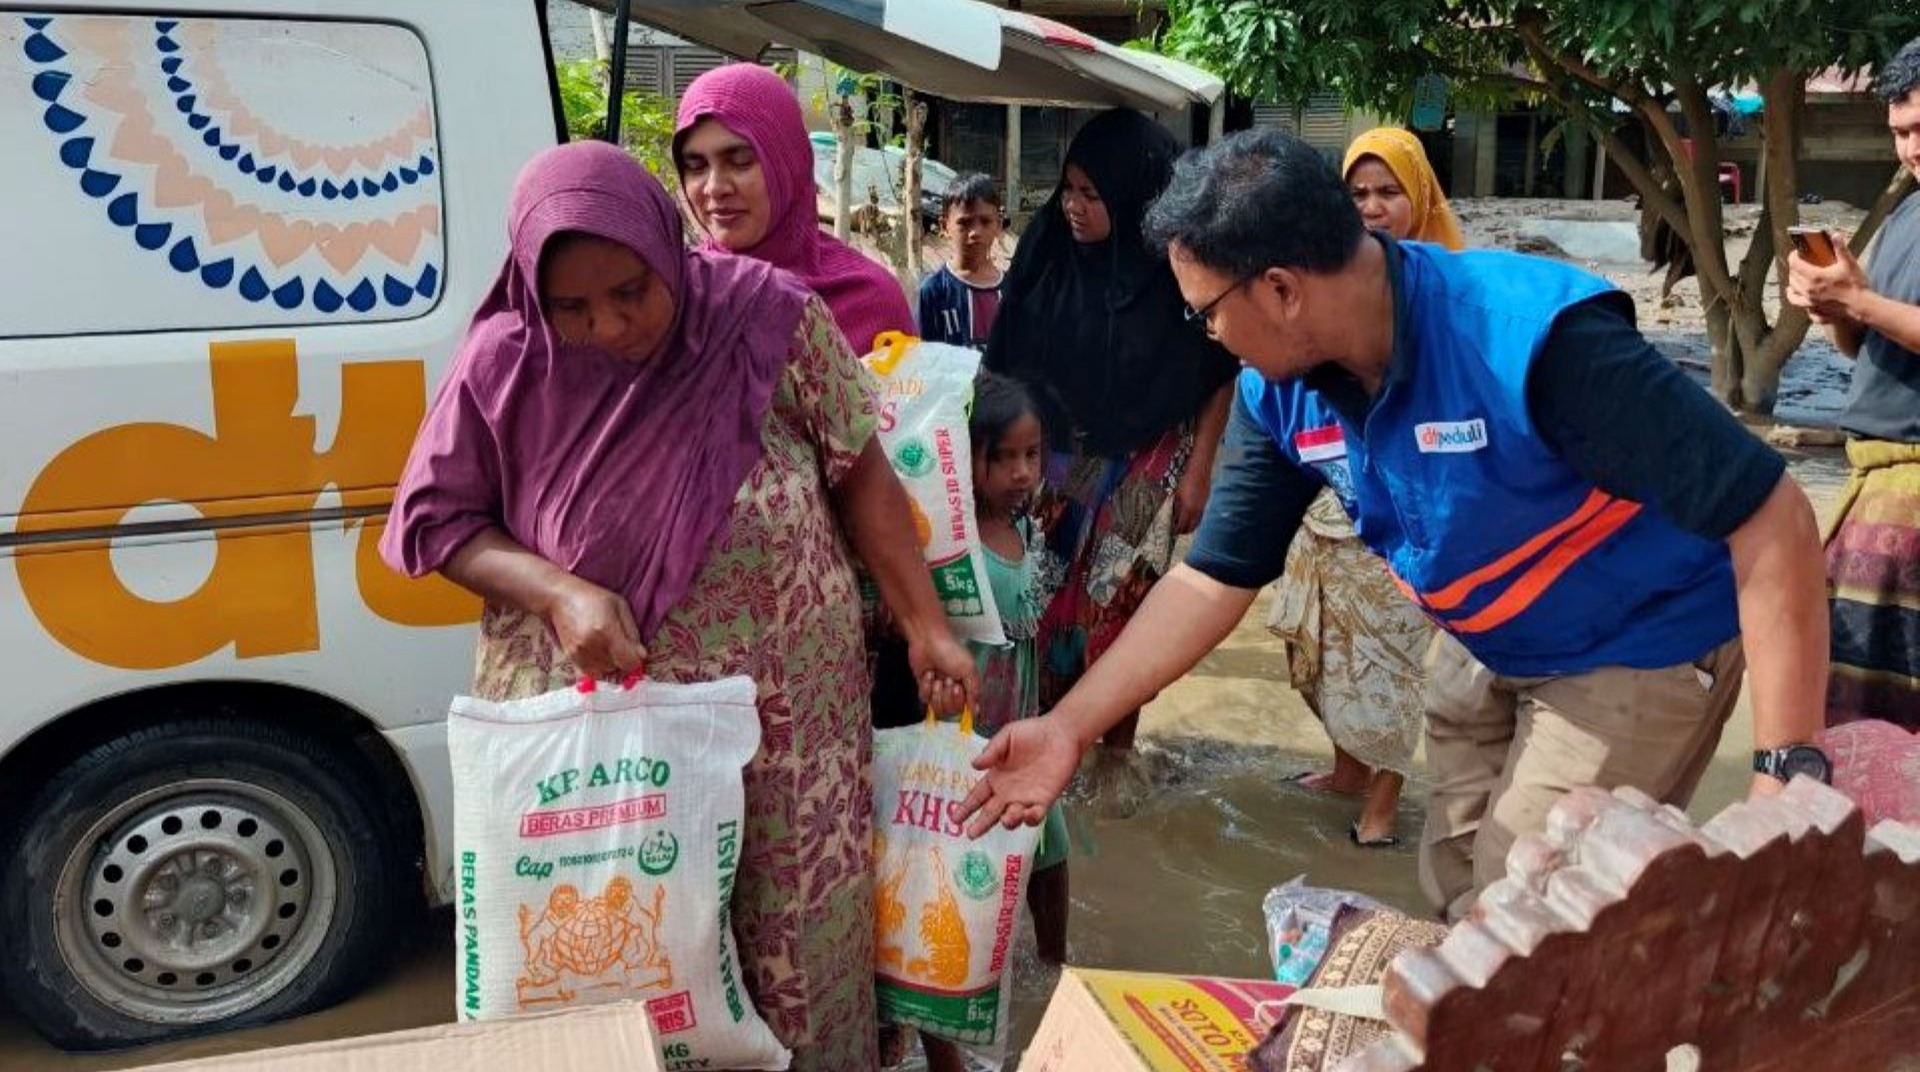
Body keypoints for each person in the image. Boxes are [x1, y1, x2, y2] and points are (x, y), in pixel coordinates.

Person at [961, 129, 1834, 923]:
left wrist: (1781, 773)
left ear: (1281, 290)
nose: (1210, 338)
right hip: (1483, 642)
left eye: (1206, 313)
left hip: (1634, 647)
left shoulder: (1529, 340)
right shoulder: (1282, 389)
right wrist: (1068, 727)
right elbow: (1215, 572)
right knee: (1455, 897)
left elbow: (1775, 517)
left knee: (1527, 927)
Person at [379, 142, 975, 1071]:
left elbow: (861, 472)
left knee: (797, 944)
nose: (608, 325)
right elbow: (435, 520)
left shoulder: (768, 316)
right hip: (599, 725)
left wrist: (927, 626)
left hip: (784, 728)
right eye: (571, 307)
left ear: (667, 248)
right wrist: (558, 590)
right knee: (613, 948)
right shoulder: (507, 357)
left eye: (631, 292)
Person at [983, 109, 1239, 754]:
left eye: (1091, 194)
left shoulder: (1177, 272)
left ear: (1131, 197)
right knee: (1038, 604)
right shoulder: (1047, 252)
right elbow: (1002, 363)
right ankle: (1043, 741)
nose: (1073, 206)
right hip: (1056, 456)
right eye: (1068, 189)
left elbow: (1218, 369)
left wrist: (1200, 471)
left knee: (1120, 605)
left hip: (1147, 457)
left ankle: (1116, 758)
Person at [1269, 128, 1462, 848]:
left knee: (1393, 662)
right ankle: (1349, 767)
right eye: (1358, 193)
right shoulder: (1323, 290)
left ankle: (1383, 802)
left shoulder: (1451, 295)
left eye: (1389, 192)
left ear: (1421, 199)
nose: (1373, 208)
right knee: (1325, 650)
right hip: (1335, 493)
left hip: (1415, 513)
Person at [891, 372, 1068, 1072]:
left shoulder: (1025, 525)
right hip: (965, 742)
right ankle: (944, 1055)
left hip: (1022, 729)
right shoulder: (948, 545)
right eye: (1005, 458)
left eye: (1033, 454)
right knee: (945, 886)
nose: (1023, 472)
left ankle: (1057, 971)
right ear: (965, 459)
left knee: (1052, 852)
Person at [1787, 35, 1920, 732]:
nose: (1911, 149)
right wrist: (1836, 309)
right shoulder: (1905, 217)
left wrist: (1861, 303)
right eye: (1900, 132)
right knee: (1860, 723)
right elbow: (1865, 346)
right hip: (1875, 485)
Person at [674, 63, 914, 354]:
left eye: (740, 161)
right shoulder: (673, 299)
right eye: (696, 166)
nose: (714, 187)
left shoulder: (870, 301)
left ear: (789, 163)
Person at [918, 173, 1007, 348]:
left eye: (985, 221)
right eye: (964, 223)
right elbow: (928, 357)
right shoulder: (934, 291)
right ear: (944, 226)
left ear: (998, 225)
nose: (975, 232)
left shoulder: (1015, 290)